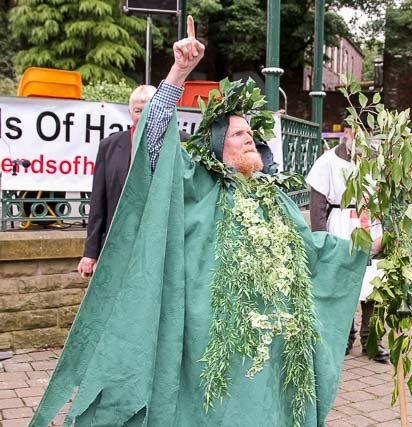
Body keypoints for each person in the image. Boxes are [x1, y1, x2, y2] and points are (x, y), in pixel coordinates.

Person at [30, 16, 368, 427]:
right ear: (216, 144)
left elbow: (312, 248)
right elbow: (154, 140)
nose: (249, 139)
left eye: (251, 134)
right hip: (210, 338)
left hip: (271, 343)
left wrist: (367, 245)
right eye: (239, 134)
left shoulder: (271, 196)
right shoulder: (196, 181)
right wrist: (179, 72)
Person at [306, 119, 390, 363]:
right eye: (358, 129)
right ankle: (344, 337)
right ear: (346, 131)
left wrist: (386, 233)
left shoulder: (378, 161)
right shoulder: (327, 162)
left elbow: (388, 200)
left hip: (371, 224)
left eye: (368, 131)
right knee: (341, 283)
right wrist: (322, 240)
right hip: (341, 225)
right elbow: (318, 207)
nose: (362, 135)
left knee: (373, 286)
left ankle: (371, 341)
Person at [77, 85, 156, 277]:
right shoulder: (109, 146)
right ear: (130, 112)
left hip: (161, 242)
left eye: (149, 110)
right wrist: (90, 253)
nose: (143, 115)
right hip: (119, 242)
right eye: (138, 111)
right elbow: (98, 201)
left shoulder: (183, 143)